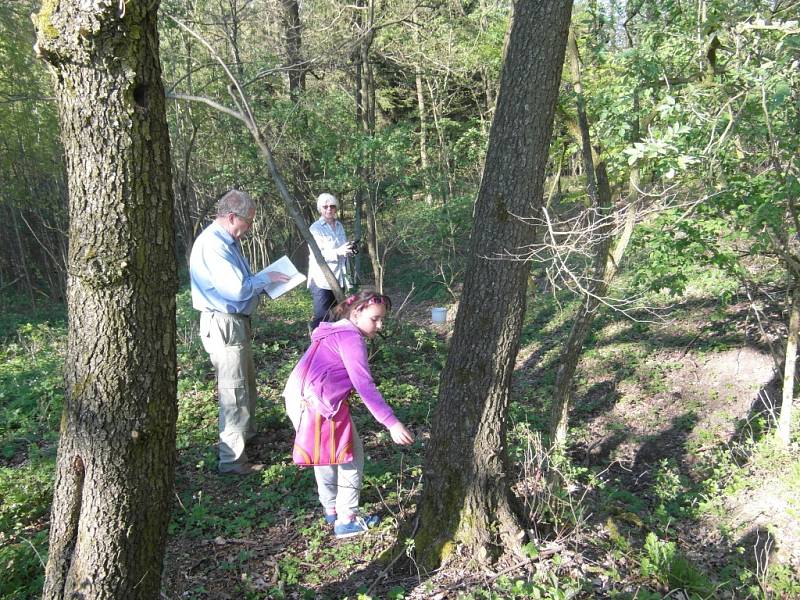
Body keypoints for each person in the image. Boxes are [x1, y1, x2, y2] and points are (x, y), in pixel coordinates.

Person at [283, 290, 415, 538]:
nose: (379, 325)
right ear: (356, 312)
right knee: (351, 457)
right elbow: (364, 385)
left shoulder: (332, 330)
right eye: (375, 319)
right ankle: (346, 519)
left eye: (382, 319)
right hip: (319, 403)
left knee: (324, 454)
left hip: (296, 397)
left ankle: (331, 508)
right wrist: (391, 423)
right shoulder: (351, 338)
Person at [190, 189, 291, 475]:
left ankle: (244, 441)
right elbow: (236, 289)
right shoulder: (213, 245)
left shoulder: (226, 241)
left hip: (234, 323)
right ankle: (232, 461)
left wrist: (260, 282)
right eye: (246, 223)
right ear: (232, 216)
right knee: (234, 391)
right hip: (223, 323)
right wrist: (266, 279)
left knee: (245, 385)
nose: (246, 230)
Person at [307, 192, 356, 332]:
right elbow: (317, 255)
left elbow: (342, 250)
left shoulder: (339, 226)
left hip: (340, 277)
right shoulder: (315, 228)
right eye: (325, 206)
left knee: (337, 315)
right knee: (321, 317)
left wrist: (348, 250)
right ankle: (315, 343)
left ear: (336, 208)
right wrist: (338, 251)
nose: (329, 209)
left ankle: (331, 345)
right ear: (320, 209)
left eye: (332, 206)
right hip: (322, 280)